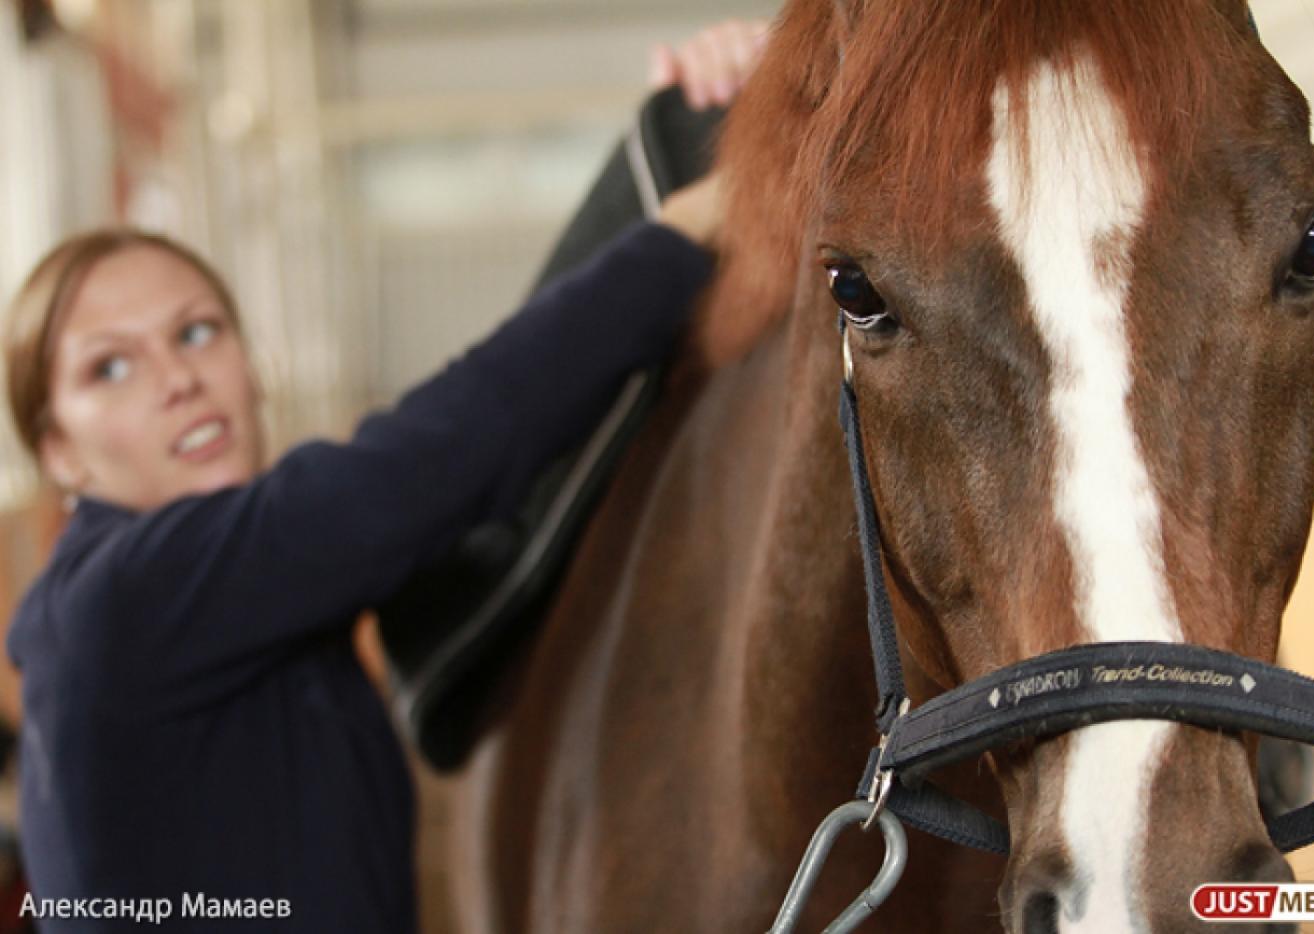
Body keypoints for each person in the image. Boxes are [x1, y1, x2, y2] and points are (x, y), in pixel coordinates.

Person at [1, 20, 767, 932]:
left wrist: (711, 104)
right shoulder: (122, 600)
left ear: (252, 367)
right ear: (59, 451)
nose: (177, 379)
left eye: (198, 332)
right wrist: (682, 225)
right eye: (110, 368)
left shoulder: (254, 605)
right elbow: (449, 446)